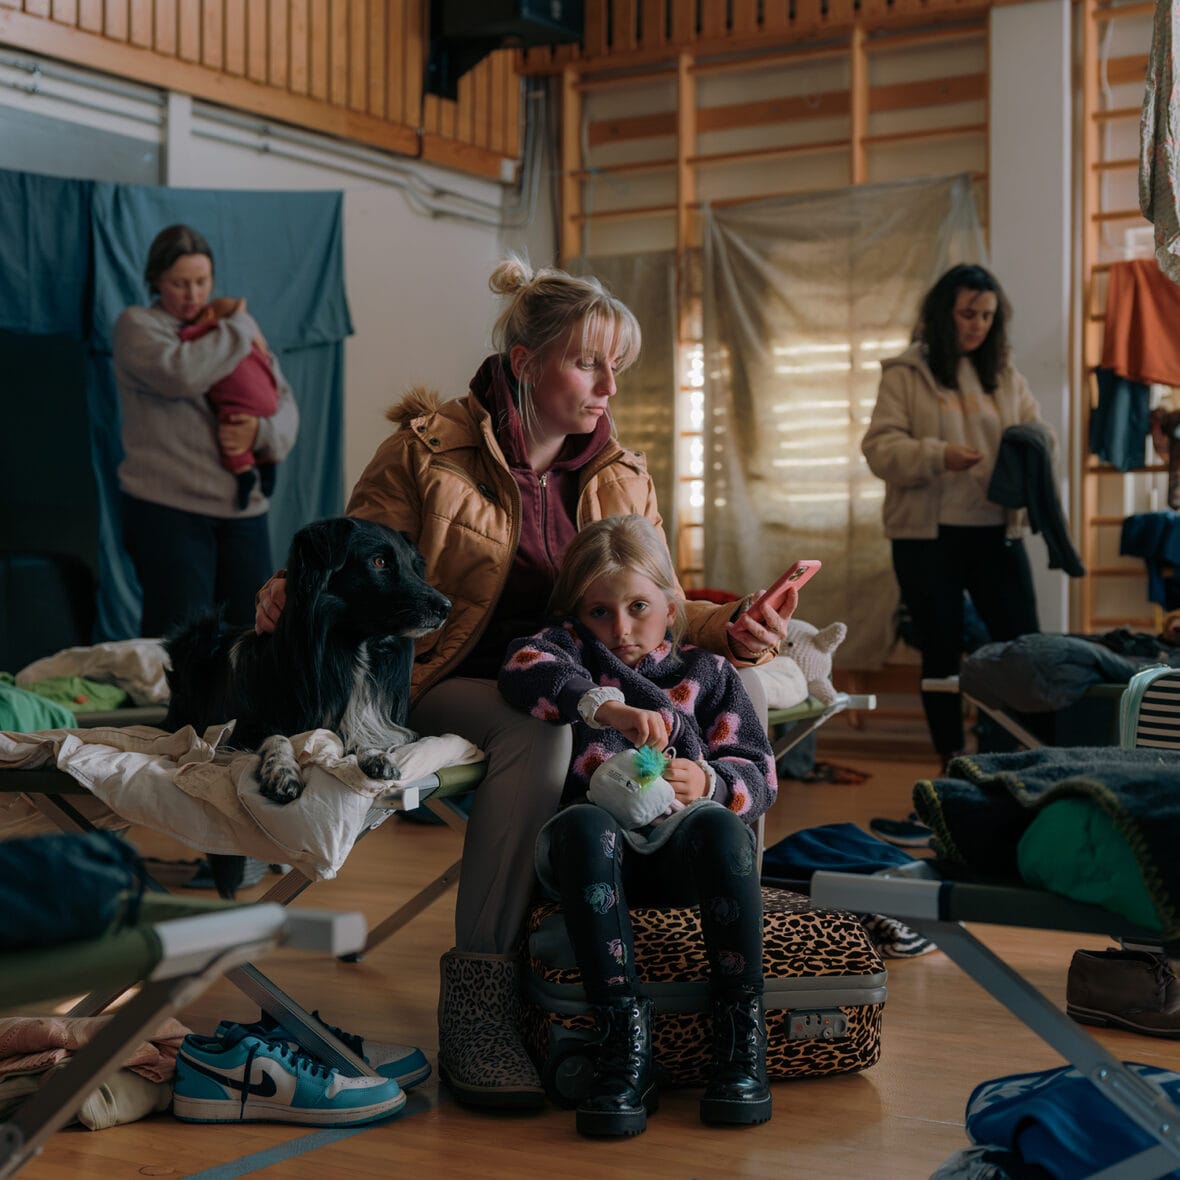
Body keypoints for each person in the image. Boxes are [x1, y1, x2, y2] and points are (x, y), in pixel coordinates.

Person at [254, 257, 787, 1109]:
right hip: (452, 675)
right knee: (539, 728)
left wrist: (735, 629)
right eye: (589, 363)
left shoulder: (622, 472)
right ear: (527, 358)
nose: (609, 385)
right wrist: (286, 589)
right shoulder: (425, 452)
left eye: (618, 367)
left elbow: (662, 608)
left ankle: (714, 955)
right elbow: (355, 570)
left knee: (747, 694)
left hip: (592, 673)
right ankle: (480, 1002)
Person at [499, 515, 779, 1136]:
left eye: (638, 607)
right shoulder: (565, 654)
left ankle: (740, 1037)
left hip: (683, 860)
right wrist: (604, 705)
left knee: (723, 830)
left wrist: (709, 783)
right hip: (595, 863)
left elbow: (759, 773)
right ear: (576, 613)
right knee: (584, 826)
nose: (620, 630)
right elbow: (522, 672)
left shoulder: (707, 674)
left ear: (672, 607)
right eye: (599, 612)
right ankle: (623, 1046)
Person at [860, 263, 1045, 767]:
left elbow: (1037, 437)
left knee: (1022, 647)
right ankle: (953, 759)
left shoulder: (1005, 376)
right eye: (967, 313)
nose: (977, 325)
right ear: (945, 313)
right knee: (940, 653)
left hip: (996, 533)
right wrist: (939, 455)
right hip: (926, 537)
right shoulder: (906, 373)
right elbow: (879, 449)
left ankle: (1011, 753)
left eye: (987, 315)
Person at [113, 224, 299, 637]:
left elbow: (283, 403)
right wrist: (241, 325)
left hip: (243, 512)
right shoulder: (138, 326)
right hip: (168, 510)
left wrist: (258, 432)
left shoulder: (231, 329)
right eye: (180, 283)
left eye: (202, 282)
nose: (193, 294)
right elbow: (182, 373)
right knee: (181, 642)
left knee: (251, 638)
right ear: (156, 280)